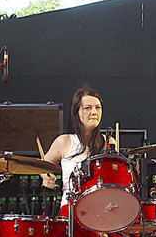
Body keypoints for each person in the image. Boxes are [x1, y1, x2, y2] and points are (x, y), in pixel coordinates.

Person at [41, 85, 115, 215]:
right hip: (72, 208)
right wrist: (46, 177)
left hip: (104, 209)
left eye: (98, 108)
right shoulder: (64, 141)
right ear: (77, 112)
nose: (94, 112)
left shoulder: (109, 143)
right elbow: (40, 165)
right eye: (87, 108)